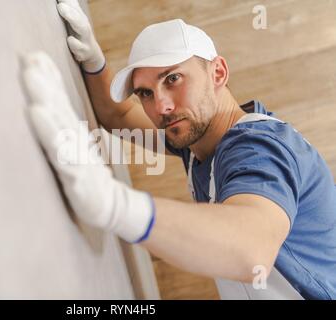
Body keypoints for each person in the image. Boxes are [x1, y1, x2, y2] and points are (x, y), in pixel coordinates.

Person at [20, 0, 336, 299]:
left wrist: (112, 203)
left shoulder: (258, 149)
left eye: (173, 78)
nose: (161, 106)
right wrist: (93, 61)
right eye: (145, 92)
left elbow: (251, 249)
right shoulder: (198, 137)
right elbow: (118, 115)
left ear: (218, 73)